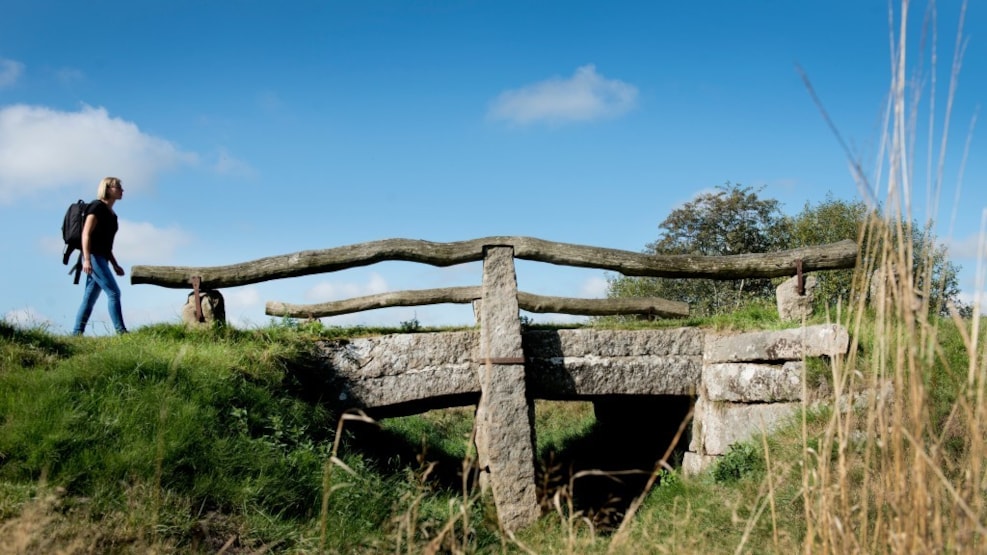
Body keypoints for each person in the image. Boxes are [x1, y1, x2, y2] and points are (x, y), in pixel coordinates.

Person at [72, 177, 128, 335]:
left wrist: (115, 264)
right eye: (118, 187)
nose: (122, 190)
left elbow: (106, 245)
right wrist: (87, 260)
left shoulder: (112, 215)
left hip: (101, 257)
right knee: (114, 292)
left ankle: (76, 334)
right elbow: (86, 234)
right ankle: (121, 331)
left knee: (89, 299)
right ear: (108, 188)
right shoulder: (96, 207)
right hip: (93, 257)